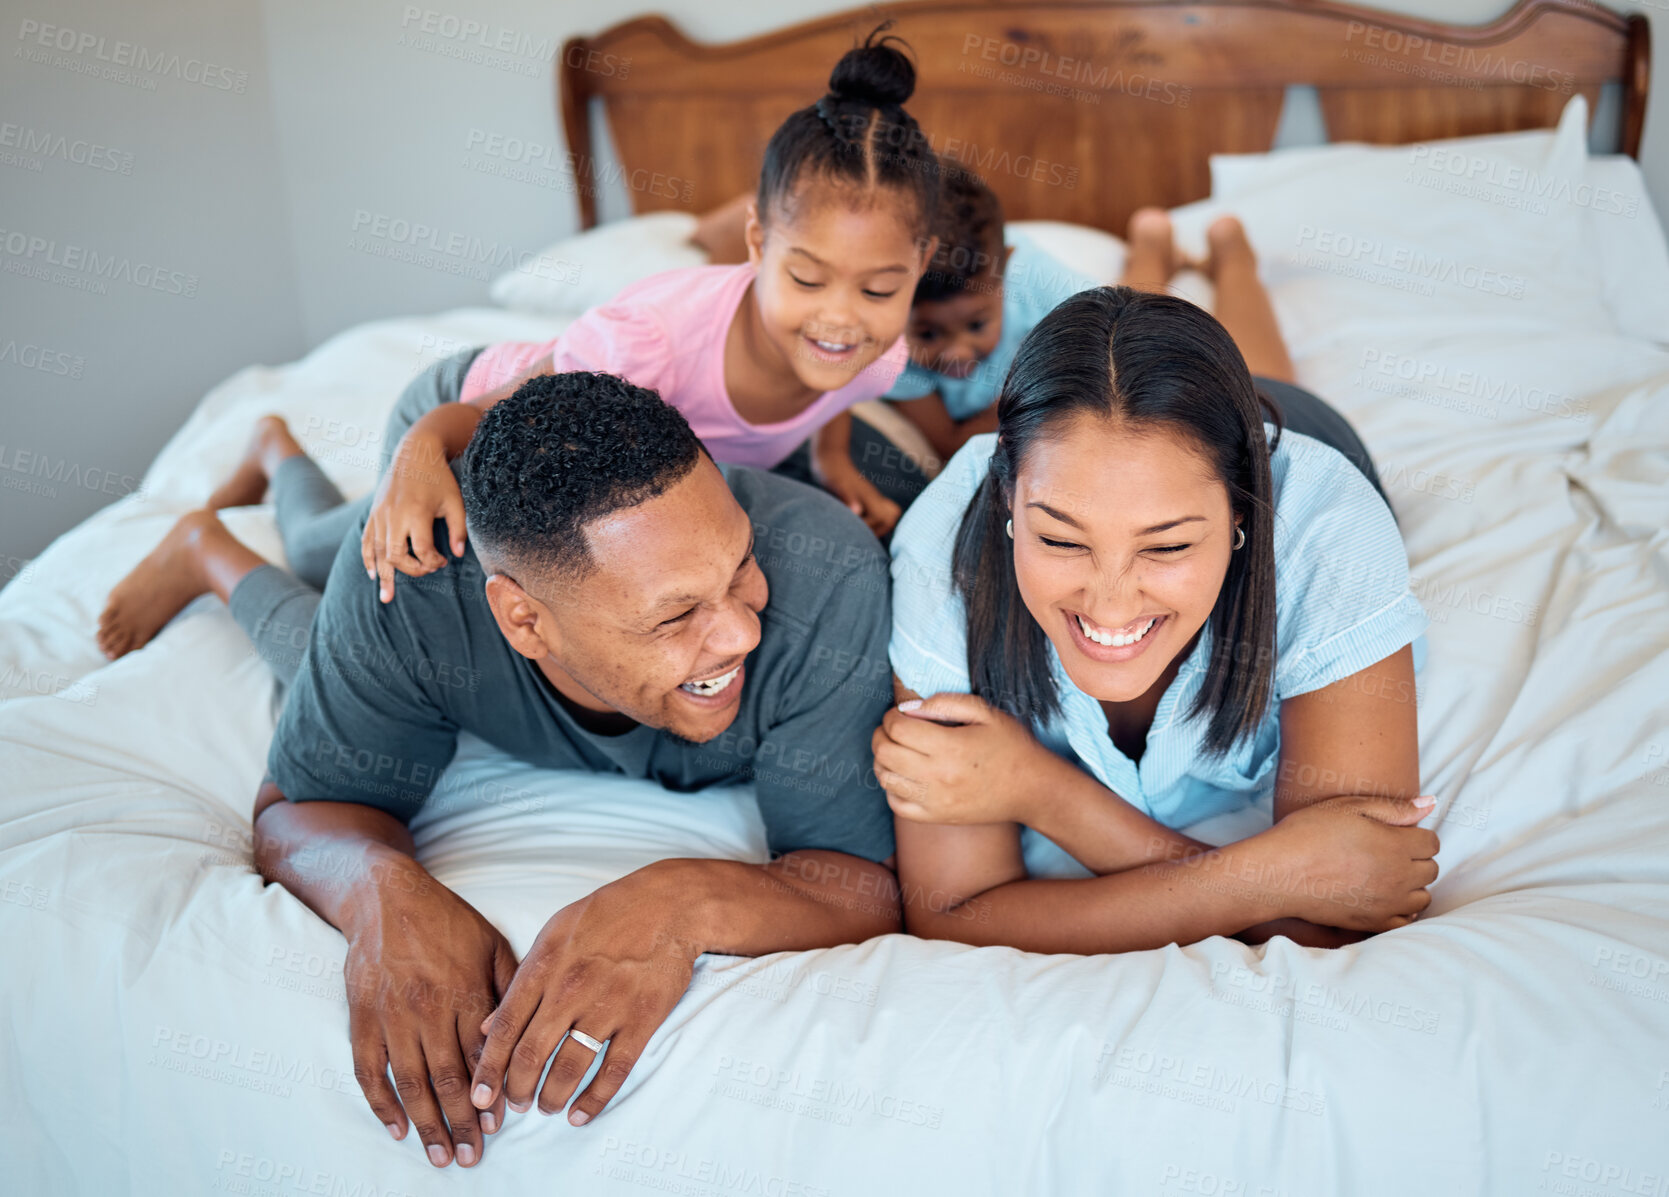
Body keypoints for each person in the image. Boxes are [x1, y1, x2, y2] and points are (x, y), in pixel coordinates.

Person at [105, 372, 902, 1170]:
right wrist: (380, 892)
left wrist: (680, 898)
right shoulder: (407, 580)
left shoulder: (828, 574)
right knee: (318, 552)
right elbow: (299, 809)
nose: (737, 631)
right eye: (673, 614)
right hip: (429, 511)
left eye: (739, 567)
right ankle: (223, 524)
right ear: (523, 618)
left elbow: (861, 881)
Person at [876, 229, 1439, 952]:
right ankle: (1151, 249)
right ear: (1005, 499)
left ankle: (1233, 254)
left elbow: (1331, 924)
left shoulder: (1327, 531)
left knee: (1267, 377)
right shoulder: (940, 546)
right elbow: (952, 910)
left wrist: (1042, 792)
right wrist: (1274, 874)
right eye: (1059, 538)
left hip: (1293, 431)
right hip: (1190, 442)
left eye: (1167, 545)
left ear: (1242, 516)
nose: (1109, 605)